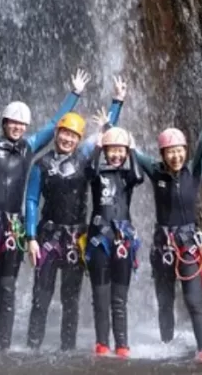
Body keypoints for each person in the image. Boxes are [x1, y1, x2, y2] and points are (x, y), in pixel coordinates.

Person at [0, 62, 91, 352]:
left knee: (7, 291)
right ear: (4, 122)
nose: (17, 127)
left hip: (14, 226)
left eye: (22, 124)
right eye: (13, 122)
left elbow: (54, 126)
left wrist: (74, 94)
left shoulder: (29, 147)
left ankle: (4, 348)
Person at [24, 77, 128, 351]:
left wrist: (117, 101)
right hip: (48, 236)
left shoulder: (83, 158)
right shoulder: (41, 164)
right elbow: (32, 200)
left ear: (78, 139)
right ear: (57, 133)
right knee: (41, 297)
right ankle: (32, 347)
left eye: (73, 135)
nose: (67, 138)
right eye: (64, 133)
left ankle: (67, 349)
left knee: (71, 300)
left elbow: (105, 135)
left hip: (76, 237)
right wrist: (30, 236)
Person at [132, 89, 202, 364]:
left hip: (188, 245)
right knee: (165, 302)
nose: (175, 156)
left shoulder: (194, 171)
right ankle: (167, 346)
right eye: (170, 152)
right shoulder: (156, 172)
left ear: (184, 152)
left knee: (194, 300)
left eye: (179, 151)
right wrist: (111, 125)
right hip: (162, 245)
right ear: (163, 154)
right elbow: (132, 151)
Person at [85, 124, 143, 357]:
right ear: (106, 151)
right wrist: (98, 146)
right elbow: (89, 169)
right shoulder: (98, 175)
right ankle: (101, 344)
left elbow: (139, 176)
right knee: (100, 297)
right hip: (99, 238)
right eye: (112, 150)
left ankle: (122, 345)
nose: (116, 154)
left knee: (119, 299)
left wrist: (134, 150)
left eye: (121, 151)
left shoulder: (128, 177)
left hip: (123, 240)